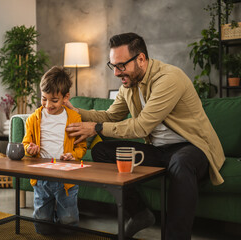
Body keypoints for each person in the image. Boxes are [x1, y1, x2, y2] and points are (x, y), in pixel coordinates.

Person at [65, 33, 225, 239]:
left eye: (121, 66)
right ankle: (140, 213)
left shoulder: (169, 79)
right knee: (101, 151)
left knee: (181, 162)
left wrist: (96, 128)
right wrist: (74, 110)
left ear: (141, 59)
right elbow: (112, 115)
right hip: (158, 151)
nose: (116, 72)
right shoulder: (128, 84)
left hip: (192, 147)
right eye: (112, 65)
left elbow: (141, 127)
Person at [22, 66, 87, 235]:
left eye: (54, 100)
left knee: (69, 223)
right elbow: (25, 144)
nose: (48, 105)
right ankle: (50, 221)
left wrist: (73, 155)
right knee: (42, 225)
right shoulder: (33, 119)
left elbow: (81, 147)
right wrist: (30, 148)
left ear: (66, 97)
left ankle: (62, 220)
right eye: (44, 99)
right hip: (41, 177)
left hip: (67, 178)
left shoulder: (74, 118)